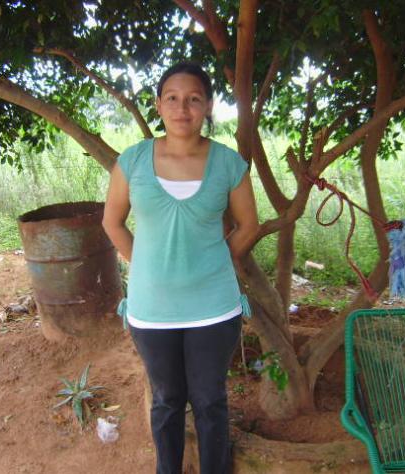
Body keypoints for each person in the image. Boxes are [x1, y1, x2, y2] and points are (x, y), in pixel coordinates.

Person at [102, 62, 259, 474]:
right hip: (152, 309)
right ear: (158, 105)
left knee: (210, 401)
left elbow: (249, 225)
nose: (182, 108)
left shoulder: (228, 163)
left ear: (207, 106)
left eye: (193, 99)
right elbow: (112, 223)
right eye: (171, 98)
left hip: (214, 307)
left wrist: (213, 261)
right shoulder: (133, 160)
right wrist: (148, 266)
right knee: (167, 400)